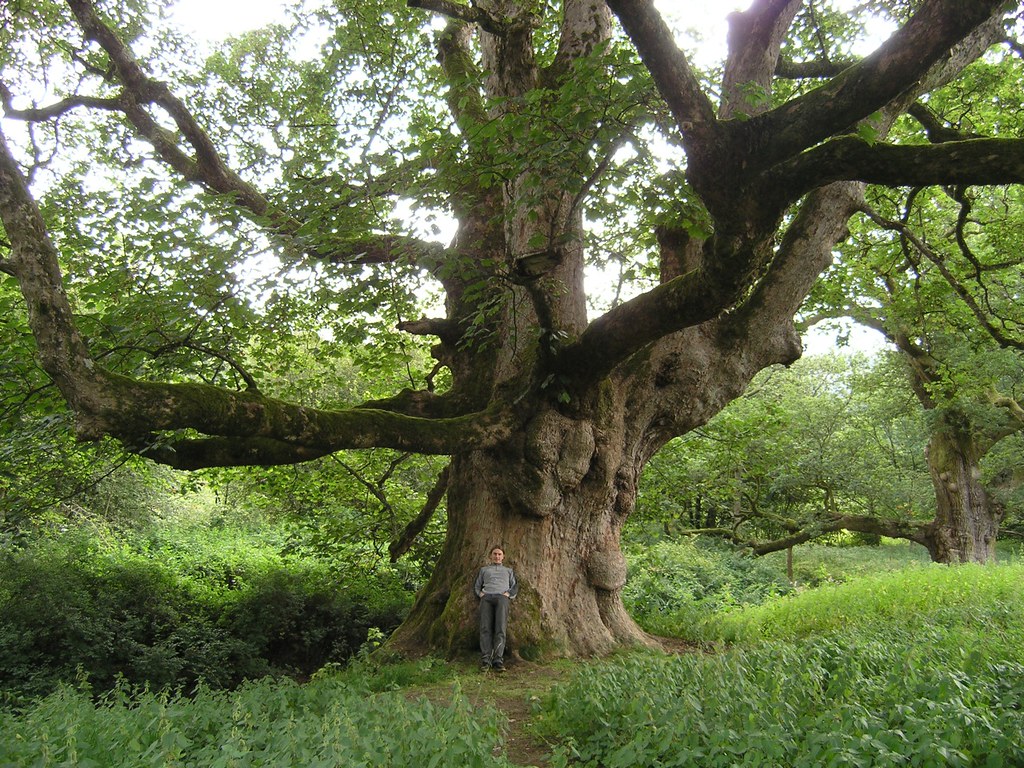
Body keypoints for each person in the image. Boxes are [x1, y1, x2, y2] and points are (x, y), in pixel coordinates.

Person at [473, 545, 518, 671]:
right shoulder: (484, 570)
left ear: (503, 557)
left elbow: (514, 586)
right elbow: (477, 585)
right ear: (490, 556)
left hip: (501, 598)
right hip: (486, 598)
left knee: (500, 628)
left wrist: (508, 594)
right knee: (485, 628)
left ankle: (498, 660)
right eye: (495, 554)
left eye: (499, 554)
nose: (497, 556)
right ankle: (486, 659)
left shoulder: (508, 571)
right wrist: (480, 594)